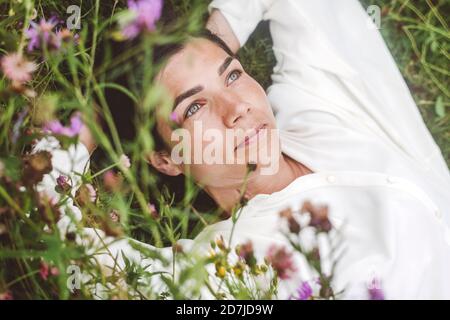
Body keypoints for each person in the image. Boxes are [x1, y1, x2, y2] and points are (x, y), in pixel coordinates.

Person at [35, 0, 450, 299]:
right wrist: (86, 123)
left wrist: (219, 33)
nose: (237, 109)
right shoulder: (227, 267)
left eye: (232, 74)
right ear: (165, 158)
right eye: (194, 106)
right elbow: (57, 231)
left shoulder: (318, 107)